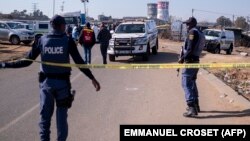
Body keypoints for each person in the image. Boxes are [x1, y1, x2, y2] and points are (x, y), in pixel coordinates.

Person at [0, 15, 101, 141]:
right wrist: (92, 78)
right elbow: (79, 62)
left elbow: (26, 61)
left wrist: (4, 64)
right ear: (62, 26)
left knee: (45, 119)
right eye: (65, 25)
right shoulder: (67, 40)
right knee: (61, 120)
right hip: (63, 86)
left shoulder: (41, 40)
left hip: (46, 85)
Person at [178, 17, 205, 118]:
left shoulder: (192, 33)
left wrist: (182, 59)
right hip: (196, 61)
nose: (187, 26)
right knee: (192, 82)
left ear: (193, 24)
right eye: (186, 24)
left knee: (186, 83)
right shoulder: (200, 32)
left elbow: (189, 49)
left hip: (190, 62)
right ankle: (196, 105)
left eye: (188, 24)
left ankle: (191, 108)